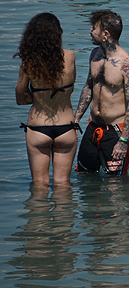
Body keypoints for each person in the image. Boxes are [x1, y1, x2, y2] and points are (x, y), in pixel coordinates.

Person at [15, 12, 78, 186]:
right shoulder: (70, 56)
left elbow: (20, 97)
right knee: (63, 185)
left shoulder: (29, 62)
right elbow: (70, 89)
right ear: (58, 33)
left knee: (40, 186)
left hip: (38, 127)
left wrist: (35, 97)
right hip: (66, 127)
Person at [74, 10, 129, 176]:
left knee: (115, 186)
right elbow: (89, 86)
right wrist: (76, 120)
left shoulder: (127, 63)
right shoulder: (95, 55)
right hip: (93, 127)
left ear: (105, 34)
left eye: (93, 27)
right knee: (84, 177)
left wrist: (123, 140)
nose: (90, 31)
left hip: (116, 131)